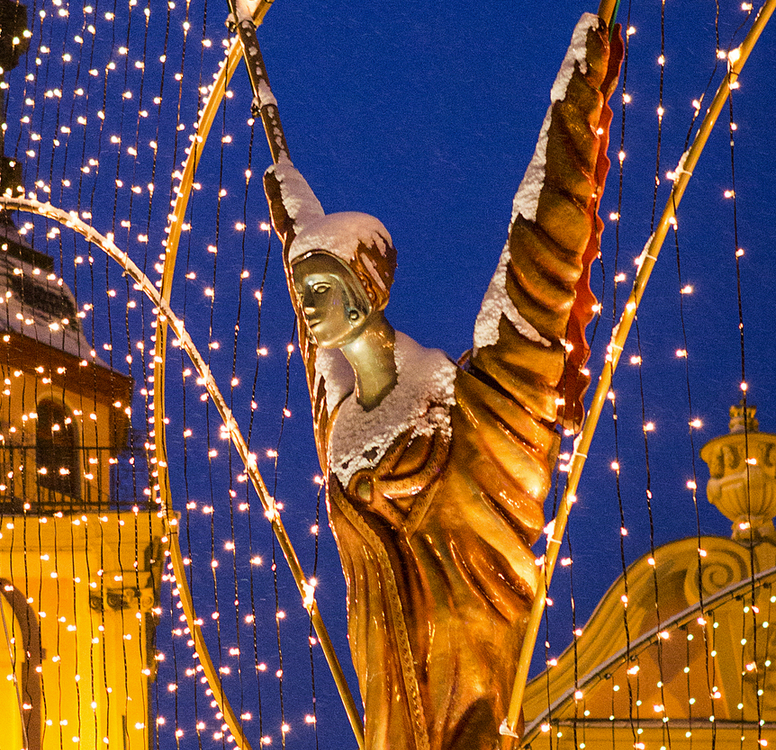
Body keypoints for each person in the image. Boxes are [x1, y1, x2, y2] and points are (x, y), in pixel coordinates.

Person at [261, 14, 622, 750]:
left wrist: (579, 101)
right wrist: (283, 179)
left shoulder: (476, 410)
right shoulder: (340, 416)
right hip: (387, 709)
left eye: (322, 289)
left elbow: (541, 265)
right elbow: (309, 304)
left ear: (366, 290)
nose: (306, 306)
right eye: (302, 291)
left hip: (468, 700)